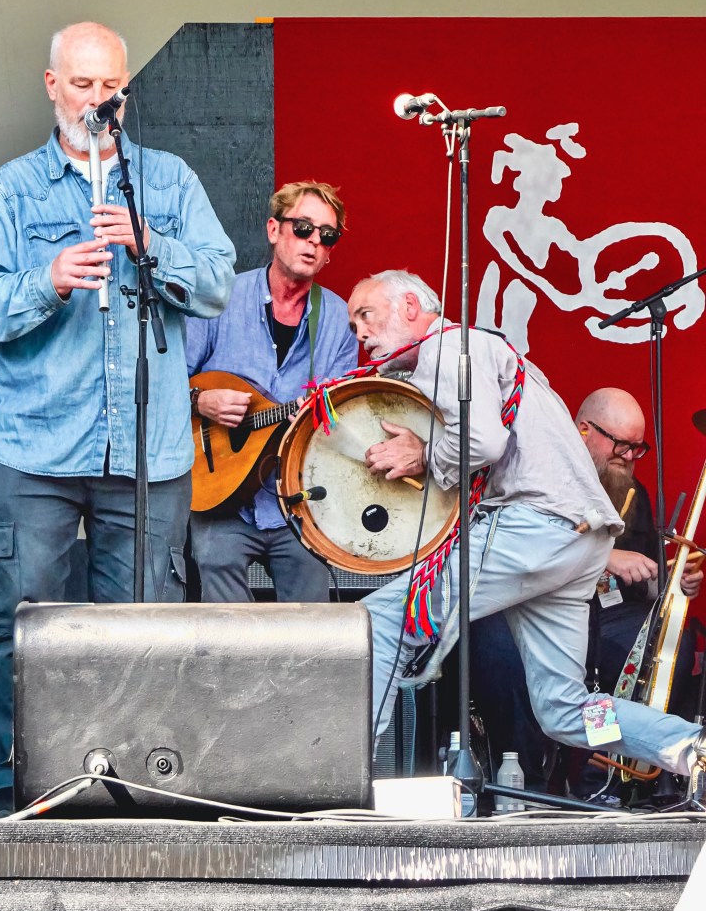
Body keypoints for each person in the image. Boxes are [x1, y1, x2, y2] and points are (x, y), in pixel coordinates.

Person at [0, 21, 236, 815]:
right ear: (52, 87)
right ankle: (21, 787)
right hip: (35, 446)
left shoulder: (168, 182)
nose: (98, 101)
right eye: (81, 86)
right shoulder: (12, 190)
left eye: (110, 87)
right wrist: (45, 278)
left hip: (146, 451)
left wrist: (153, 245)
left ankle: (130, 789)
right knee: (20, 621)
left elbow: (218, 283)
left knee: (141, 627)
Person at [346, 269, 706, 783]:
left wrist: (426, 455)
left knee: (379, 620)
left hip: (537, 526)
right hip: (578, 540)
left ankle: (348, 780)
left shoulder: (447, 348)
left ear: (409, 307)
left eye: (367, 314)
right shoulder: (491, 352)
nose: (360, 332)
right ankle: (687, 746)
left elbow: (482, 444)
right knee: (566, 710)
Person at [470, 387, 702, 798]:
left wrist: (671, 585)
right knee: (513, 663)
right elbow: (516, 550)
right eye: (621, 445)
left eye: (637, 448)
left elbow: (644, 578)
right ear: (582, 430)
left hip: (600, 616)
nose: (629, 457)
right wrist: (604, 555)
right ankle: (523, 785)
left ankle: (618, 778)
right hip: (518, 604)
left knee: (665, 643)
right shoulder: (539, 471)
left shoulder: (633, 493)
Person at [185, 180, 359, 603]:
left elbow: (337, 413)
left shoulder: (337, 318)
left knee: (312, 628)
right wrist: (200, 400)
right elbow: (165, 380)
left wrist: (317, 415)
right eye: (303, 228)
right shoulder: (221, 299)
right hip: (222, 497)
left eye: (326, 235)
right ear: (273, 230)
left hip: (299, 503)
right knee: (223, 612)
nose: (314, 241)